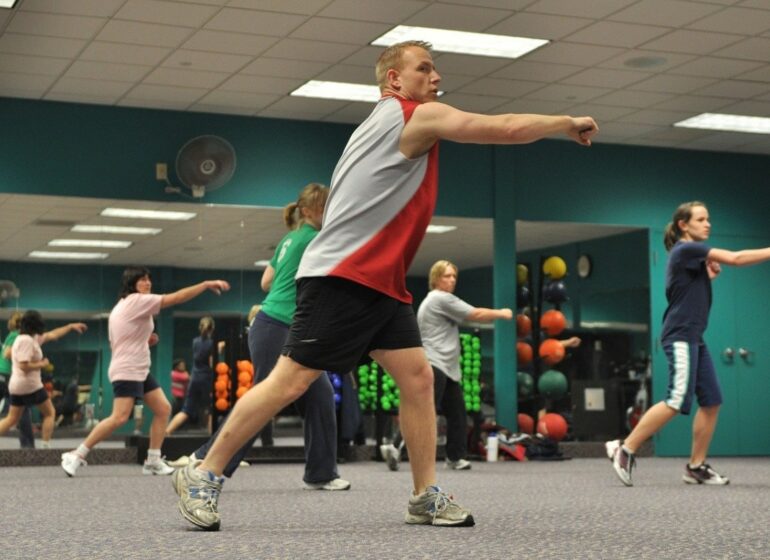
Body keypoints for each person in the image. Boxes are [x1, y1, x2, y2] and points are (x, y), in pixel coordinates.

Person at [174, 39, 597, 531]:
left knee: (418, 380)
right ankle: (203, 473)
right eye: (425, 69)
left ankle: (423, 496)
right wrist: (564, 123)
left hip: (381, 283)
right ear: (394, 80)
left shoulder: (379, 124)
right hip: (342, 277)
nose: (436, 79)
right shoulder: (410, 116)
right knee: (290, 382)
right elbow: (501, 127)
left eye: (436, 71)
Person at [174, 183, 350, 490]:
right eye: (324, 207)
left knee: (320, 395)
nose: (329, 212)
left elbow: (266, 281)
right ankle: (205, 459)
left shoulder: (290, 238)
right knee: (265, 400)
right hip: (276, 326)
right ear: (307, 211)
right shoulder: (315, 239)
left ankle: (321, 473)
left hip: (282, 326)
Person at [606, 201, 770, 487]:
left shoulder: (688, 257)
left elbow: (684, 289)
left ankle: (696, 467)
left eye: (709, 219)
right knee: (676, 399)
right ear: (684, 224)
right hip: (681, 335)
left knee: (711, 401)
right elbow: (737, 258)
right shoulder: (686, 249)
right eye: (701, 219)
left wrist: (707, 277)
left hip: (694, 336)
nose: (708, 224)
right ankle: (626, 448)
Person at [60, 267, 230, 477]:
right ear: (132, 285)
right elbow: (175, 298)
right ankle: (77, 454)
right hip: (128, 369)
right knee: (119, 417)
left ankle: (153, 460)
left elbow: (120, 339)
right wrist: (205, 285)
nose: (147, 283)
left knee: (163, 409)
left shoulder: (123, 305)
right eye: (142, 280)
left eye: (149, 279)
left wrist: (145, 340)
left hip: (138, 368)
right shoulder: (136, 300)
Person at [380, 260, 513, 472]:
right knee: (423, 412)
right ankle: (395, 446)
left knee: (457, 412)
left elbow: (470, 320)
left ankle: (455, 456)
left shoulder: (435, 302)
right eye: (446, 276)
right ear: (436, 279)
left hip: (447, 367)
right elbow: (475, 314)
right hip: (435, 364)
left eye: (453, 277)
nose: (451, 280)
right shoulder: (441, 299)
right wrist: (502, 313)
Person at [0, 311, 87, 448]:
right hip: (30, 385)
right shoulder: (25, 340)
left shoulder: (30, 339)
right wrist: (42, 364)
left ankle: (39, 445)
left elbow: (53, 334)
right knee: (50, 413)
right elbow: (23, 365)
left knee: (12, 419)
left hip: (18, 386)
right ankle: (45, 446)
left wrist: (70, 327)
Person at [166, 317, 216, 435]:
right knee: (210, 410)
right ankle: (212, 440)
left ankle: (167, 432)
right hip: (206, 379)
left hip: (194, 378)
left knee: (186, 410)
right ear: (212, 329)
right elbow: (211, 363)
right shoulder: (212, 344)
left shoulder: (195, 342)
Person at [0, 311, 35, 448]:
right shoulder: (16, 336)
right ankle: (28, 446)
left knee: (20, 411)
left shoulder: (13, 335)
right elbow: (7, 353)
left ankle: (27, 445)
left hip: (5, 375)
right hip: (7, 376)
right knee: (23, 409)